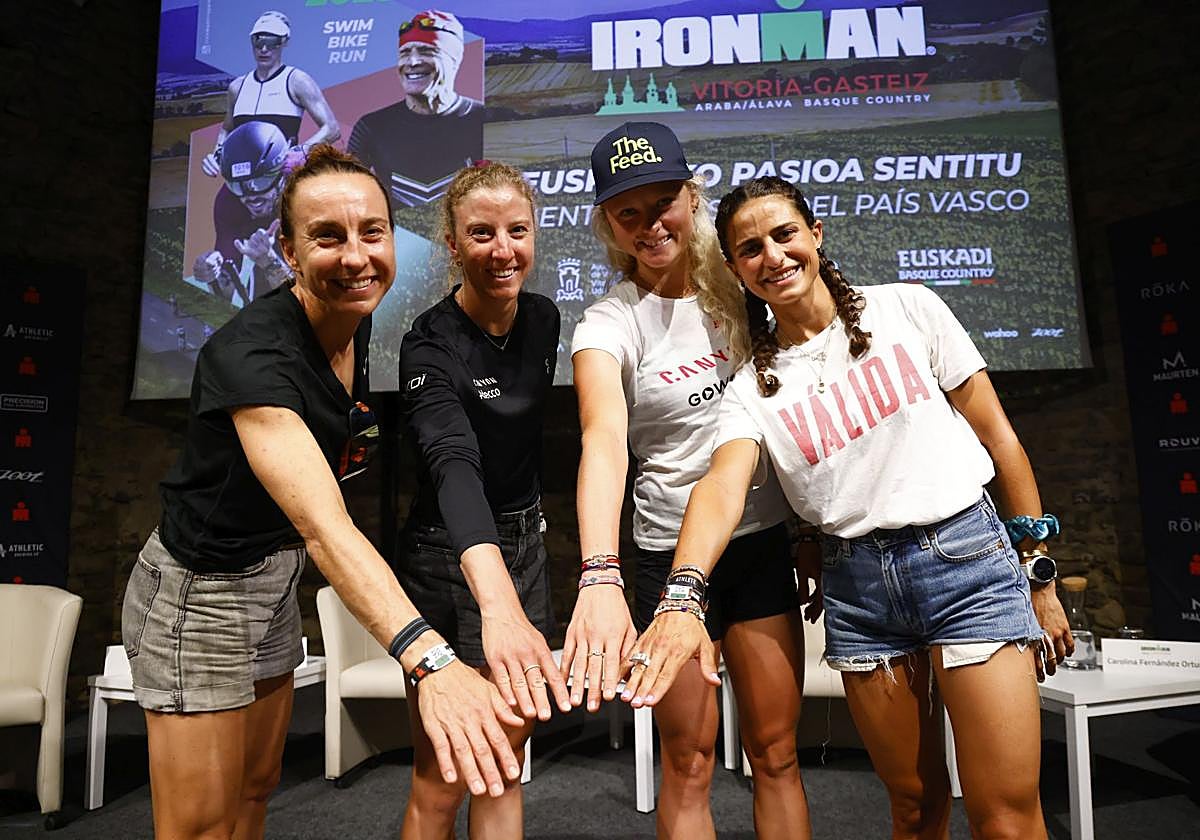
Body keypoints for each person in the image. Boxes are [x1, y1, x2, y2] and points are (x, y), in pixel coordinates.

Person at [623, 176, 1075, 839]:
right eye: (750, 249)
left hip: (967, 567)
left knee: (1005, 817)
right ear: (737, 269)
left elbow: (999, 438)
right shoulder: (751, 387)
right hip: (861, 593)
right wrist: (682, 596)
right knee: (914, 810)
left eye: (785, 235)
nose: (773, 257)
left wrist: (1039, 574)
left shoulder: (908, 308)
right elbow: (721, 487)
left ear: (815, 234)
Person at [121, 146, 524, 840]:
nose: (356, 257)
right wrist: (433, 661)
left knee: (256, 789)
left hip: (272, 576)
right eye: (328, 237)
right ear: (288, 250)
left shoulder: (351, 322)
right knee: (200, 825)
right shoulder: (253, 355)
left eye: (372, 231)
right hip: (200, 591)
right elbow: (326, 528)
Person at [563, 123, 812, 839]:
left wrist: (810, 526)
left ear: (693, 196)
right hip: (667, 557)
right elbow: (603, 440)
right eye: (628, 213)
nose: (650, 226)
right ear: (608, 223)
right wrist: (599, 572)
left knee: (776, 753)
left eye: (663, 203)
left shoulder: (745, 286)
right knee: (689, 759)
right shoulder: (609, 322)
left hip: (758, 542)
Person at [394, 161, 570, 838]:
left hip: (525, 543)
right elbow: (454, 468)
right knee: (445, 771)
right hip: (450, 553)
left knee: (505, 761)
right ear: (452, 243)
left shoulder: (544, 319)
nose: (503, 250)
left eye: (517, 231)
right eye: (482, 233)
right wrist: (498, 606)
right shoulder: (428, 345)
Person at [348, 10, 484, 207]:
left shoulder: (484, 120)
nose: (412, 62)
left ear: (454, 59)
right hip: (395, 228)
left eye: (426, 51)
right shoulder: (371, 126)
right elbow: (347, 193)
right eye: (405, 53)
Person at [201, 10, 340, 177]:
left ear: (284, 42)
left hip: (281, 181)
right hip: (240, 181)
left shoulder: (296, 81)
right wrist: (216, 156)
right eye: (258, 41)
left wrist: (301, 151)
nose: (264, 49)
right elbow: (226, 129)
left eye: (272, 42)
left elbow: (332, 129)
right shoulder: (237, 87)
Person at [193, 120, 292, 304]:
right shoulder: (228, 201)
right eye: (237, 186)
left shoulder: (306, 198)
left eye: (260, 183)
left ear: (282, 176)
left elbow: (310, 302)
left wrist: (270, 262)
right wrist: (213, 275)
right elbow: (228, 291)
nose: (250, 196)